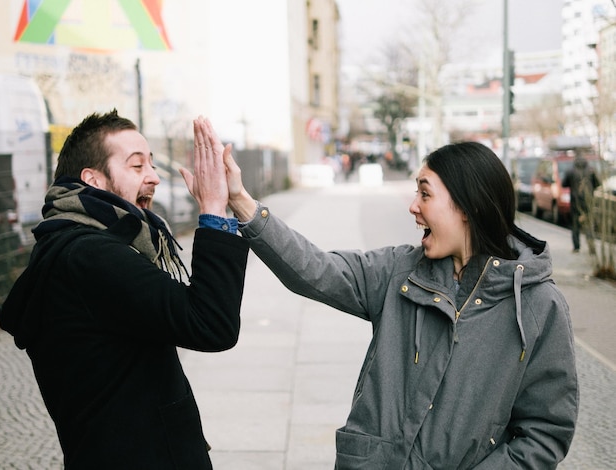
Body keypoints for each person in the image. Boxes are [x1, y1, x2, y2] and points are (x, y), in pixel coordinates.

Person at [221, 136, 579, 468]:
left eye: (425, 195)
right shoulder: (398, 271)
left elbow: (545, 430)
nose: (413, 207)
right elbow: (316, 269)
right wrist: (241, 202)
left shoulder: (538, 306)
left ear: (468, 206)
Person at [0, 110, 249, 469]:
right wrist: (213, 210)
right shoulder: (91, 256)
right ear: (93, 180)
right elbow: (210, 323)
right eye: (137, 167)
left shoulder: (76, 245)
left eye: (151, 164)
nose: (154, 177)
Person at [562, 153, 600, 253]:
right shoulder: (591, 171)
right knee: (589, 224)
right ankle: (592, 248)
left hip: (575, 202)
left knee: (575, 225)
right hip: (588, 202)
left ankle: (576, 247)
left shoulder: (571, 171)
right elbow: (598, 184)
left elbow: (563, 184)